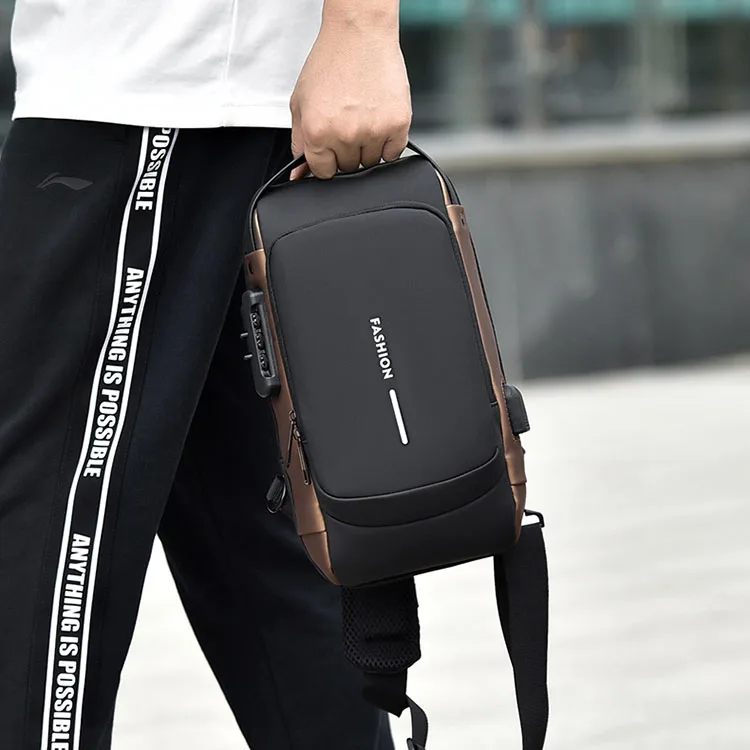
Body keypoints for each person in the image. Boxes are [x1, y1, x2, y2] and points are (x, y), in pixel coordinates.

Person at [0, 0, 411, 747]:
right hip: (164, 93)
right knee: (270, 552)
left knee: (45, 562)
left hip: (158, 94)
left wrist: (362, 28)